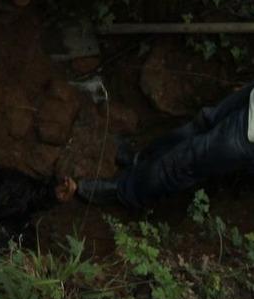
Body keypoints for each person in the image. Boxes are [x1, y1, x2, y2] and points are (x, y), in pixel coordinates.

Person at [77, 83, 254, 208]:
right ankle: (140, 161)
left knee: (182, 164)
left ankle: (123, 191)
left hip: (247, 135)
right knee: (200, 125)